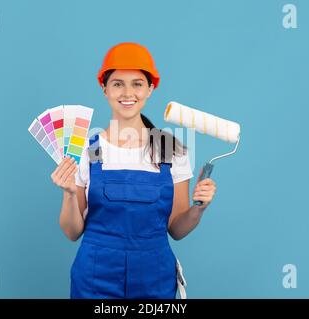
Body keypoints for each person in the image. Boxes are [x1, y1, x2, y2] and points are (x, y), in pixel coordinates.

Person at [51, 42, 216, 299]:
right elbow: (72, 232)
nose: (128, 92)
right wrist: (70, 194)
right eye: (117, 83)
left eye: (137, 83)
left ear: (150, 88)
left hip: (155, 276)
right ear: (104, 88)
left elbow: (177, 229)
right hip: (95, 276)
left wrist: (199, 208)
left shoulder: (172, 149)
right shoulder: (87, 147)